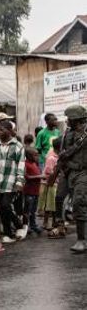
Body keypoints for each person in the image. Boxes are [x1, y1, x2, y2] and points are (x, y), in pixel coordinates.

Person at [58, 105, 87, 254]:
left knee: (78, 202)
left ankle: (81, 240)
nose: (67, 120)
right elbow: (62, 153)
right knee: (75, 203)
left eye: (69, 118)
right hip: (71, 173)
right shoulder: (68, 134)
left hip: (84, 172)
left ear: (76, 119)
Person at [0, 120, 26, 243]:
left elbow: (21, 165)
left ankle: (19, 225)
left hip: (11, 182)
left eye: (2, 130)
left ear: (10, 131)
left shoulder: (18, 146)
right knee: (1, 208)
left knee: (6, 205)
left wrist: (19, 182)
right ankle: (7, 234)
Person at [39, 138, 60, 232]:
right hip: (51, 183)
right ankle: (45, 222)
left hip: (56, 182)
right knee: (49, 204)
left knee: (54, 204)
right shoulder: (51, 157)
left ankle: (54, 222)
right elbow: (49, 171)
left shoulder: (57, 156)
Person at [23, 147, 43, 236]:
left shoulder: (35, 163)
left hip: (35, 191)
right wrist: (40, 177)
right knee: (27, 211)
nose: (37, 156)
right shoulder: (25, 164)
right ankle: (26, 227)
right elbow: (26, 177)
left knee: (33, 210)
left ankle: (33, 225)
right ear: (28, 156)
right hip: (29, 192)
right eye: (35, 155)